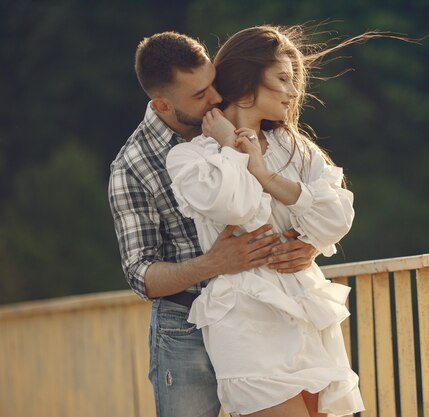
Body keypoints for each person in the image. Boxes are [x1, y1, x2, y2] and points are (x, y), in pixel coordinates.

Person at [108, 31, 319, 417]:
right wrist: (214, 263)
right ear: (162, 104)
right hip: (186, 328)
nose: (216, 98)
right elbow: (140, 273)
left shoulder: (251, 126)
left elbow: (301, 204)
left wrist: (309, 245)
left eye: (213, 83)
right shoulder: (132, 166)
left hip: (260, 317)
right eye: (200, 94)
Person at [165, 25, 368, 417]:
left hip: (306, 310)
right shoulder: (191, 158)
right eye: (283, 79)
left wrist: (267, 175)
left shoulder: (297, 148)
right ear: (246, 83)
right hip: (246, 319)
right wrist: (232, 147)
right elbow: (236, 208)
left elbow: (337, 217)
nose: (293, 92)